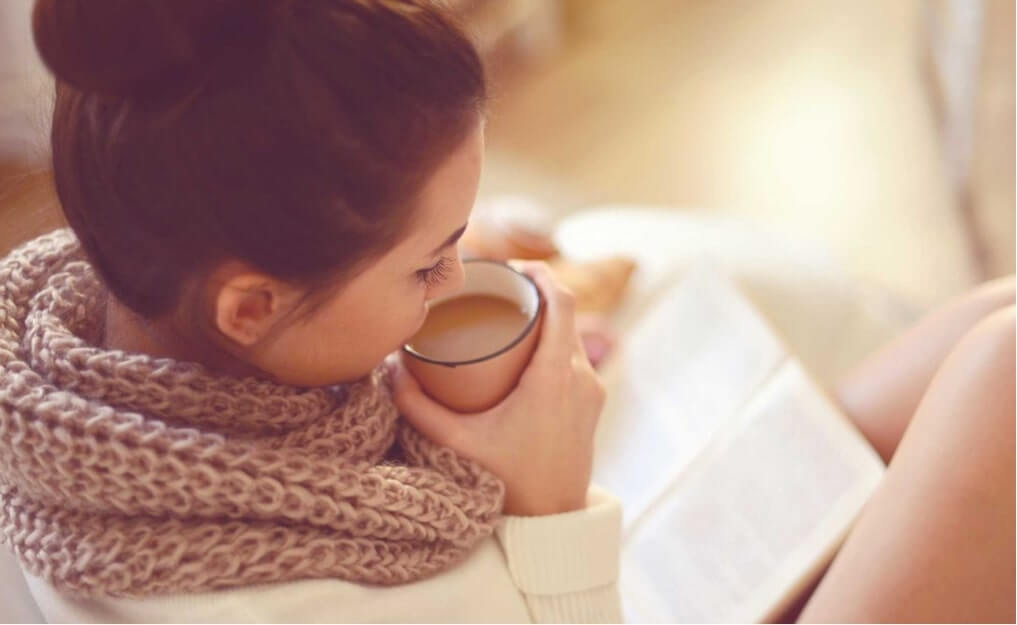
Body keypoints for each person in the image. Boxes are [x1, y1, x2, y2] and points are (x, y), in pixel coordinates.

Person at [0, 1, 1011, 623]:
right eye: (430, 263)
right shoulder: (267, 594)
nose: (450, 278)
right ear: (253, 302)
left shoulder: (101, 341)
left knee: (995, 331)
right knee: (1001, 373)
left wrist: (445, 246)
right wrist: (552, 504)